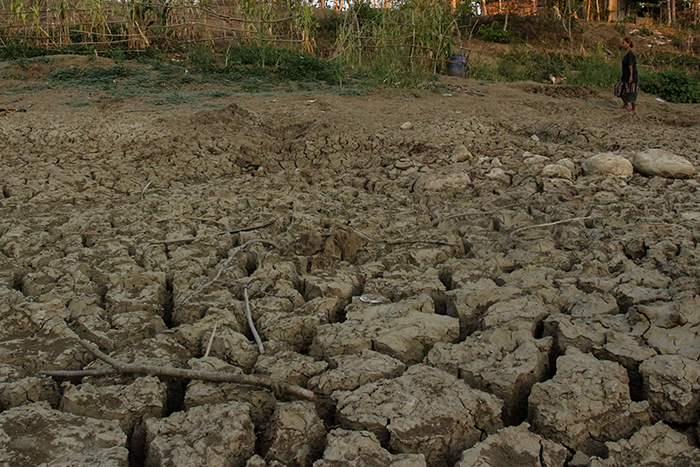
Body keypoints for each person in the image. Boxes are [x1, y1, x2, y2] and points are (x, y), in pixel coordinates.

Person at [616, 37, 638, 113]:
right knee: (620, 89)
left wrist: (631, 76)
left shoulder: (630, 54)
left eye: (624, 43)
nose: (623, 45)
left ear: (628, 44)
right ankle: (625, 104)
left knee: (631, 91)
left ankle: (633, 108)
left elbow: (631, 65)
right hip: (625, 76)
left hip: (630, 76)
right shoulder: (627, 54)